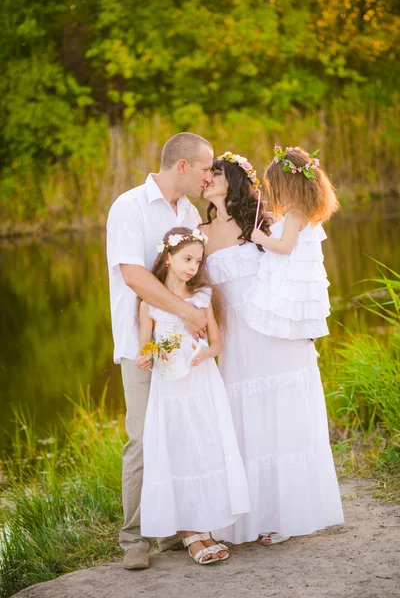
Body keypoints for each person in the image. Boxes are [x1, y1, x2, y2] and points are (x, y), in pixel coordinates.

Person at [202, 151, 344, 545]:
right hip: (235, 340)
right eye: (207, 172)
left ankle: (285, 516)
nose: (208, 178)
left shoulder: (261, 222)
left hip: (274, 330)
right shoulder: (197, 231)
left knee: (284, 416)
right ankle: (248, 516)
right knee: (244, 419)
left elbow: (299, 263)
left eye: (216, 172)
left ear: (234, 180)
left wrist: (304, 318)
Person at [106, 132, 213, 570]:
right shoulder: (128, 206)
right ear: (182, 166)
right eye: (206, 168)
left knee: (182, 434)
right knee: (142, 439)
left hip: (185, 348)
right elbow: (134, 276)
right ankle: (134, 538)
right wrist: (187, 312)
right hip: (142, 343)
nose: (210, 176)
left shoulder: (189, 212)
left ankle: (175, 528)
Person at [137, 227, 250, 565]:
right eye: (186, 259)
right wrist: (147, 356)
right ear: (168, 258)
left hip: (202, 385)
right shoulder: (149, 305)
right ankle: (190, 533)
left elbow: (217, 343)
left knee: (206, 448)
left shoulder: (201, 297)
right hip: (171, 389)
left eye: (197, 261)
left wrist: (205, 354)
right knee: (180, 450)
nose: (192, 266)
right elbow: (147, 347)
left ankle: (207, 529)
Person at [244, 146, 339, 340]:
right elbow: (295, 237)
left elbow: (285, 247)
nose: (276, 193)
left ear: (290, 186)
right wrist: (278, 222)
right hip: (304, 278)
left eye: (277, 188)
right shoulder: (308, 214)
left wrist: (262, 238)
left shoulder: (294, 215)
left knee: (283, 309)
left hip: (292, 276)